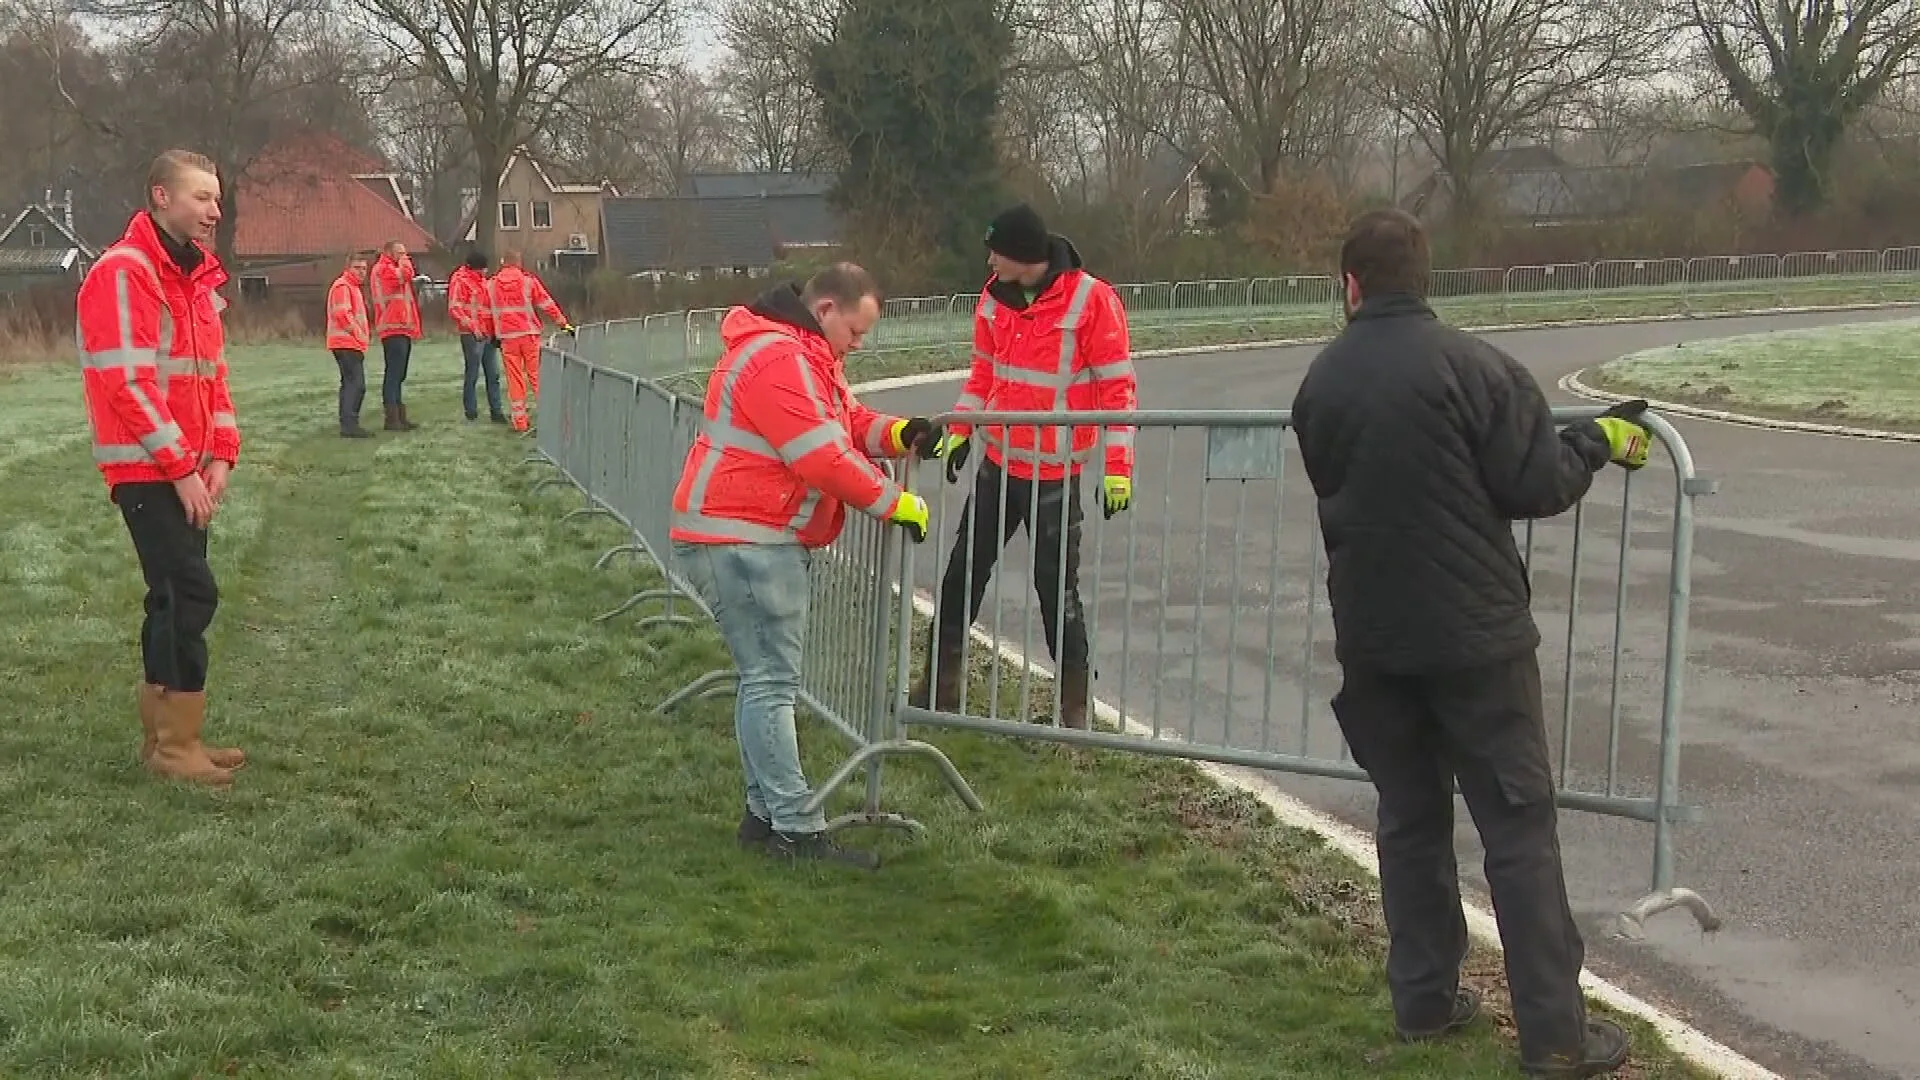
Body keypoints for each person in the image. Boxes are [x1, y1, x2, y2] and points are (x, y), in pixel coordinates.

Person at [1288, 208, 1652, 1079]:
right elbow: (1535, 482)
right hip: (1476, 638)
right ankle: (1555, 1036)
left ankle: (1422, 999)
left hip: (1373, 637)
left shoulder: (1320, 383)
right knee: (1518, 832)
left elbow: (1334, 478)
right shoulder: (1477, 368)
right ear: (1426, 279)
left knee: (1410, 818)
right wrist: (1595, 440)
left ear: (1350, 285)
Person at [669, 262, 941, 869]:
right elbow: (821, 458)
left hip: (740, 534)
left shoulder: (801, 354)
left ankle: (764, 815)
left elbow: (845, 425)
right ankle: (796, 828)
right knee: (771, 683)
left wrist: (902, 435)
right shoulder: (779, 359)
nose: (859, 344)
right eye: (856, 331)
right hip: (746, 538)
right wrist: (895, 502)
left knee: (761, 680)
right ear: (824, 311)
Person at [913, 203, 1137, 730]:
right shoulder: (993, 298)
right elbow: (982, 377)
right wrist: (961, 431)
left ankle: (1075, 710)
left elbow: (1118, 390)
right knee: (961, 575)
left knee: (1055, 590)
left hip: (1055, 473)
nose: (989, 261)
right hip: (998, 464)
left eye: (997, 252)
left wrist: (1119, 468)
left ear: (1022, 254)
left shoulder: (1092, 300)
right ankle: (939, 689)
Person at [77, 148, 251, 787]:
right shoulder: (125, 272)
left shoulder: (194, 278)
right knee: (189, 594)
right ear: (160, 196)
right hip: (147, 471)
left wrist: (222, 452)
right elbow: (127, 382)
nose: (214, 210)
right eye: (202, 197)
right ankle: (177, 746)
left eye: (217, 198)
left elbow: (212, 375)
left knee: (171, 598)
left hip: (186, 469)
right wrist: (180, 468)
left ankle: (169, 739)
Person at [486, 250, 572, 432]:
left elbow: (486, 312)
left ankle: (520, 422)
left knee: (515, 379)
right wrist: (563, 323)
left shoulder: (491, 284)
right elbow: (547, 304)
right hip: (528, 334)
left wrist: (491, 333)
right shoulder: (528, 281)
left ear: (502, 262)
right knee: (536, 376)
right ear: (518, 262)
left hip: (507, 337)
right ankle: (551, 417)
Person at [369, 239, 423, 431]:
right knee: (393, 374)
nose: (404, 257)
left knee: (399, 374)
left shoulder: (391, 268)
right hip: (391, 327)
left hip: (401, 327)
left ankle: (399, 415)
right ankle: (392, 418)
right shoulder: (383, 269)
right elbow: (405, 274)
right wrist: (405, 261)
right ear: (389, 253)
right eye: (400, 253)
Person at [449, 250, 507, 424]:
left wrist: (495, 332)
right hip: (471, 334)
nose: (485, 272)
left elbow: (488, 310)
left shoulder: (482, 281)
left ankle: (496, 411)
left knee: (493, 374)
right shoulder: (460, 280)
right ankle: (471, 412)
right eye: (483, 269)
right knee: (473, 374)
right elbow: (455, 308)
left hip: (487, 334)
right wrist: (473, 328)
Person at [325, 251, 375, 438]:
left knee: (350, 384)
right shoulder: (343, 286)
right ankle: (349, 425)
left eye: (364, 269)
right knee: (356, 385)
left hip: (349, 343)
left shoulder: (352, 287)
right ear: (348, 268)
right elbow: (342, 313)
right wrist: (358, 334)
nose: (361, 272)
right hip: (346, 342)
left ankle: (349, 424)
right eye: (357, 268)